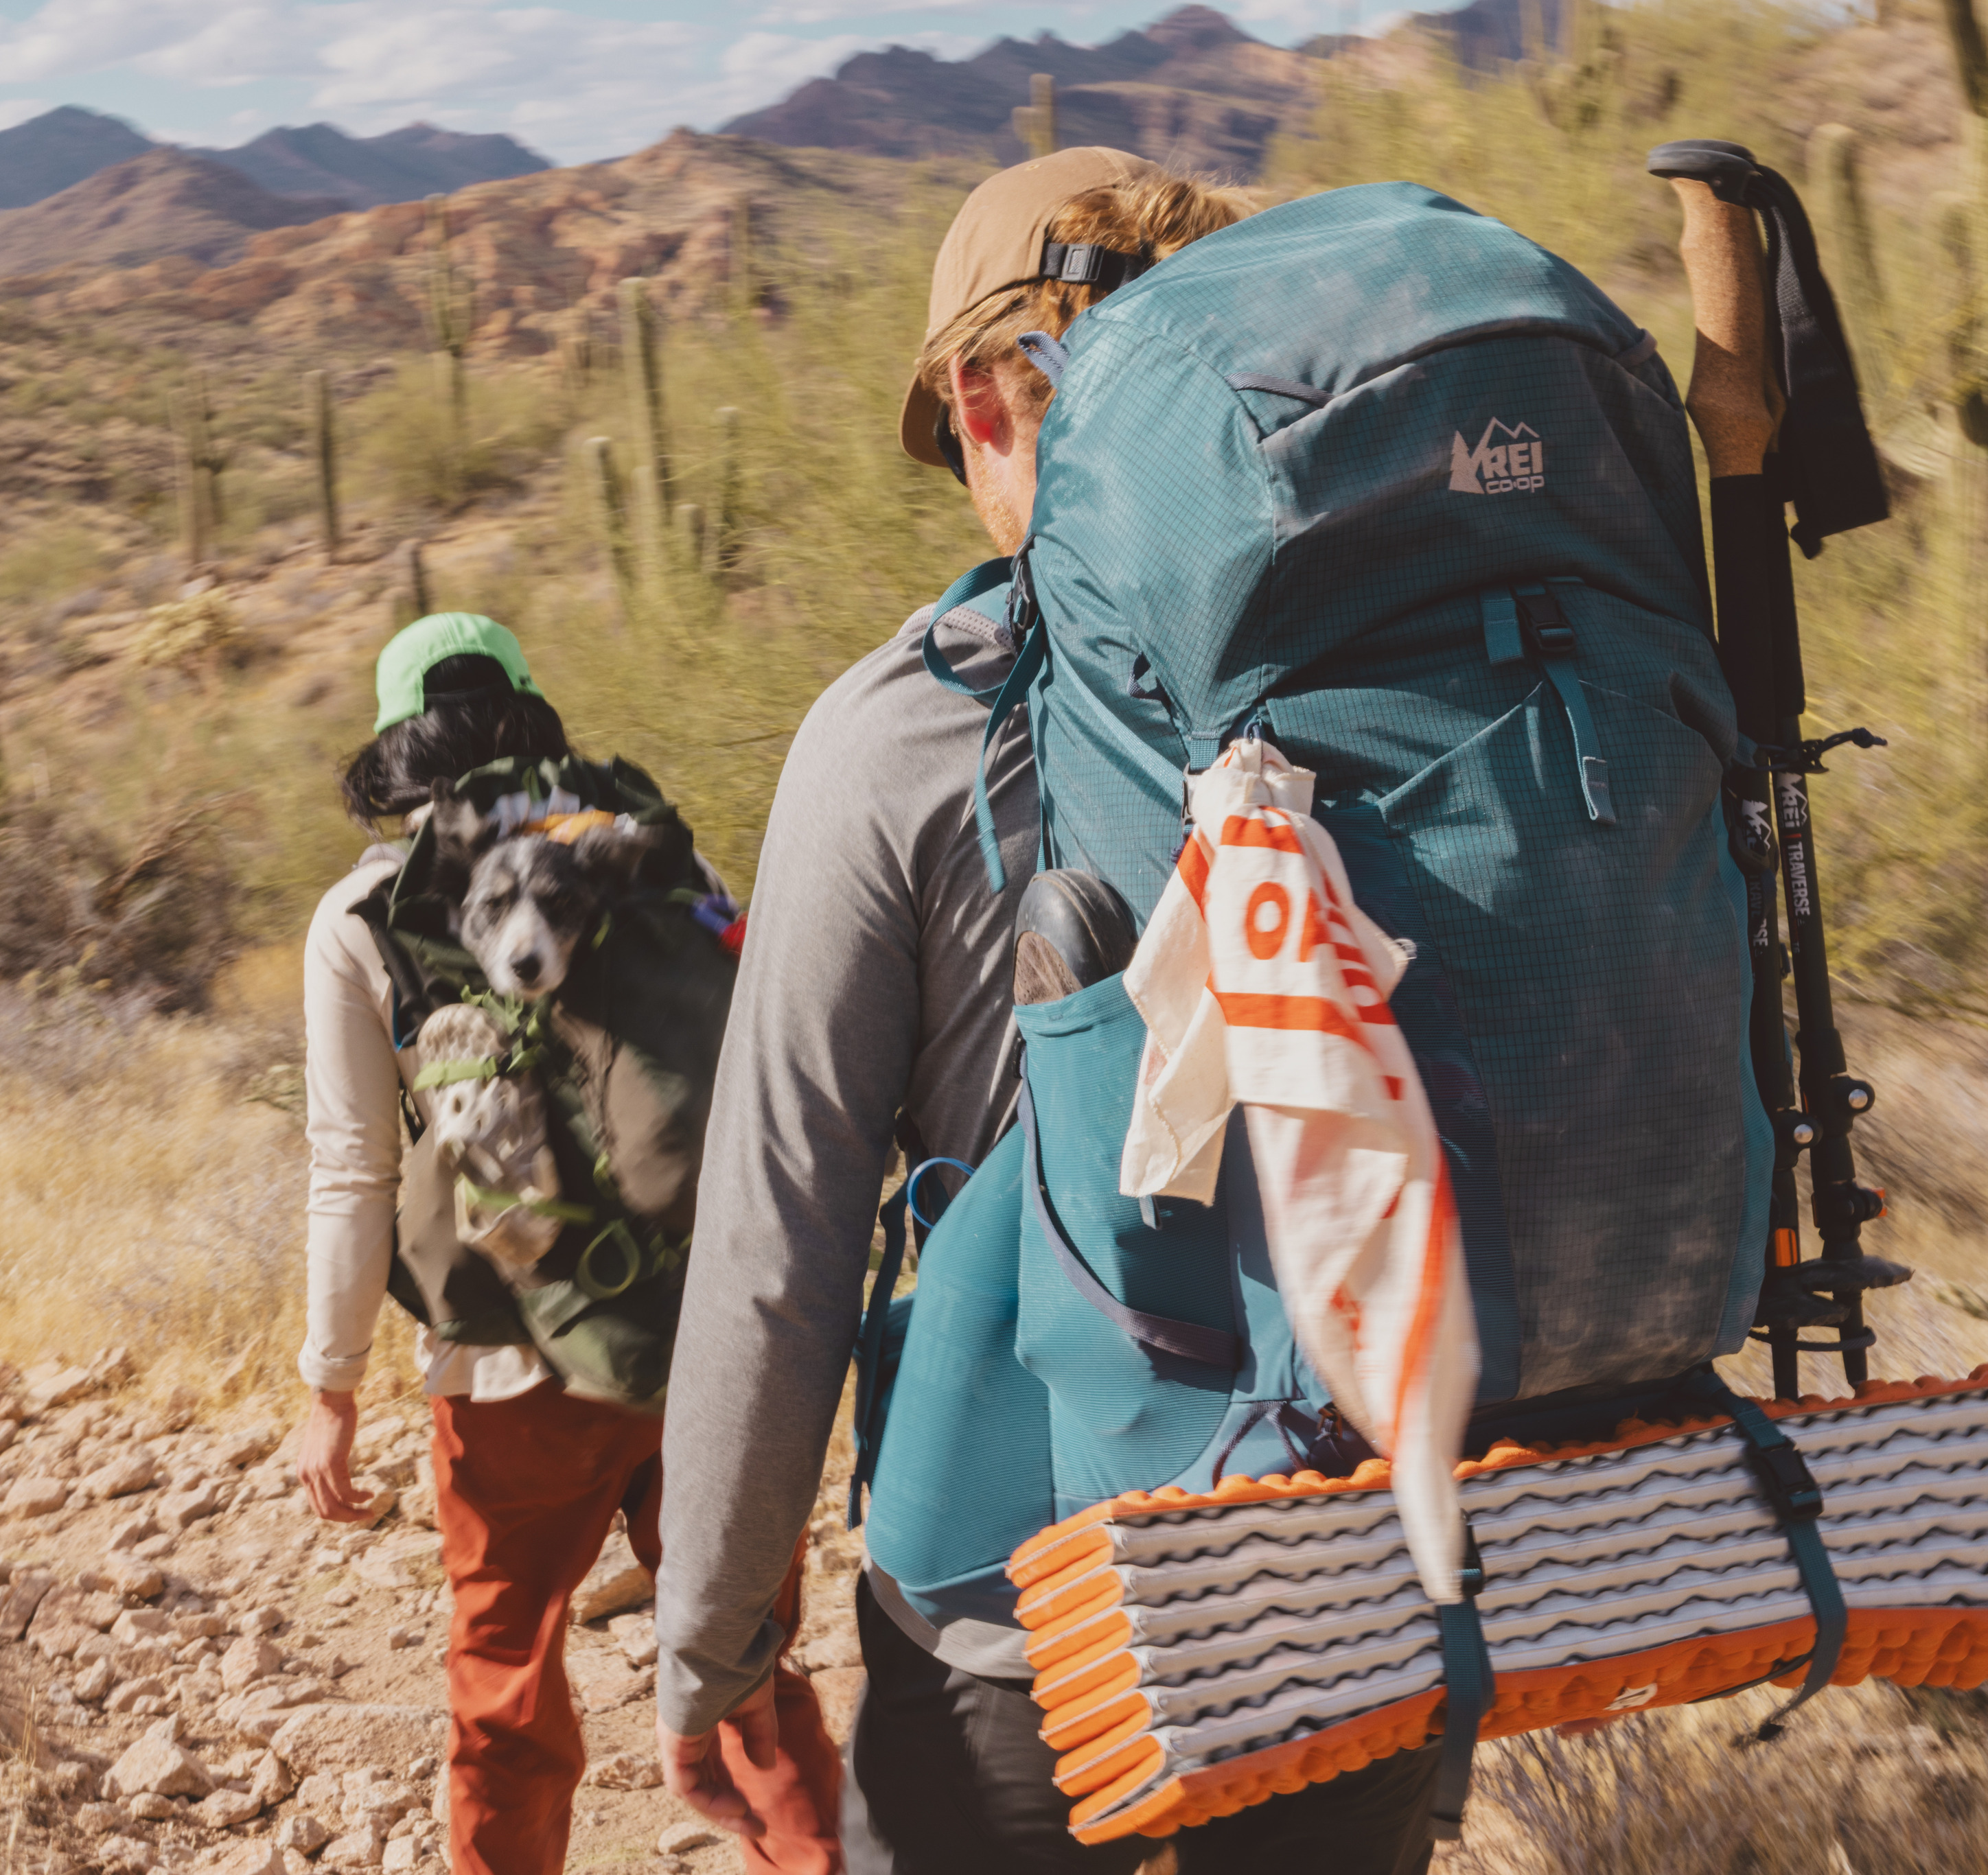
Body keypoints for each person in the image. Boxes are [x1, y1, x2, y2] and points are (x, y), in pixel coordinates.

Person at [650, 153, 1446, 1872]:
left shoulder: (896, 737)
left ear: (977, 399)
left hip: (1026, 1605)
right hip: (1365, 1561)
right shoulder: (1398, 684)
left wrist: (711, 1636)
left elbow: (780, 1232)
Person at [295, 612, 844, 1875]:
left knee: (505, 1691)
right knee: (747, 1667)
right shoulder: (641, 859)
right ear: (531, 718)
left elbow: (354, 1168)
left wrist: (331, 1385)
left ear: (392, 748)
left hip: (510, 1366)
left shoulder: (361, 915)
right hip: (709, 1335)